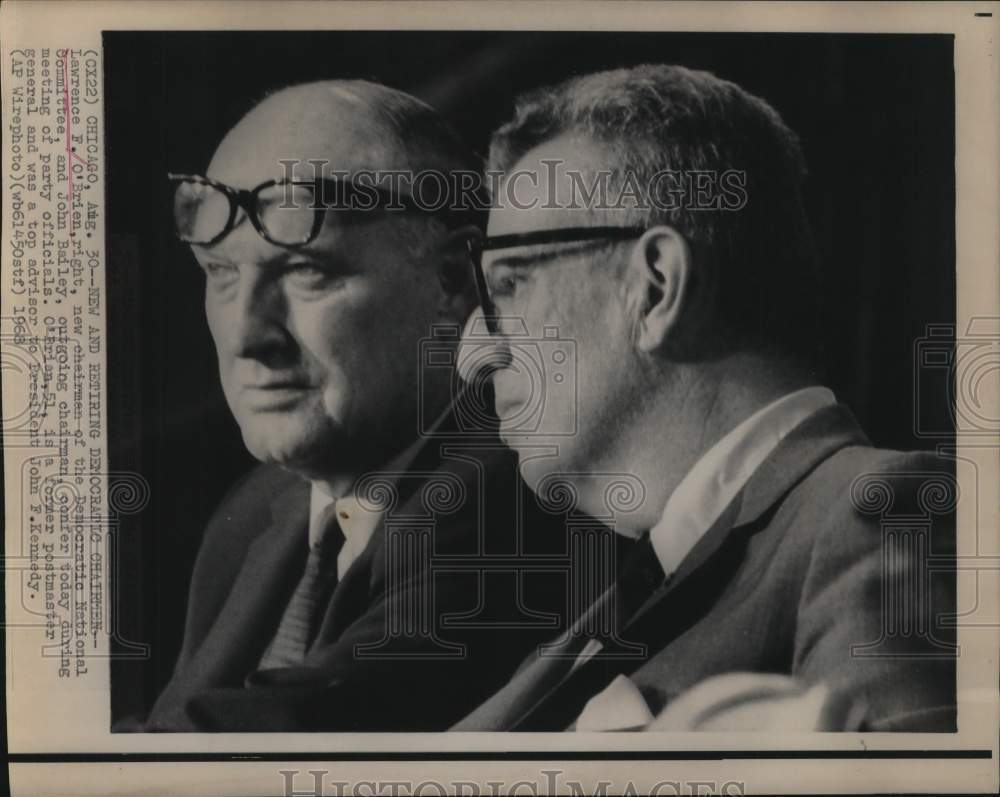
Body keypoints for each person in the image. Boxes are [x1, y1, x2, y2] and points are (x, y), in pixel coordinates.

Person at [453, 64, 955, 732]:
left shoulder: (879, 512)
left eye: (508, 285)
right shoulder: (606, 613)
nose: (472, 353)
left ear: (655, 289)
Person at [138, 80, 592, 732]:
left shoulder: (516, 490)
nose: (247, 337)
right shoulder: (251, 519)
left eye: (306, 272)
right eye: (221, 274)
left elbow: (291, 737)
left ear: (455, 283)